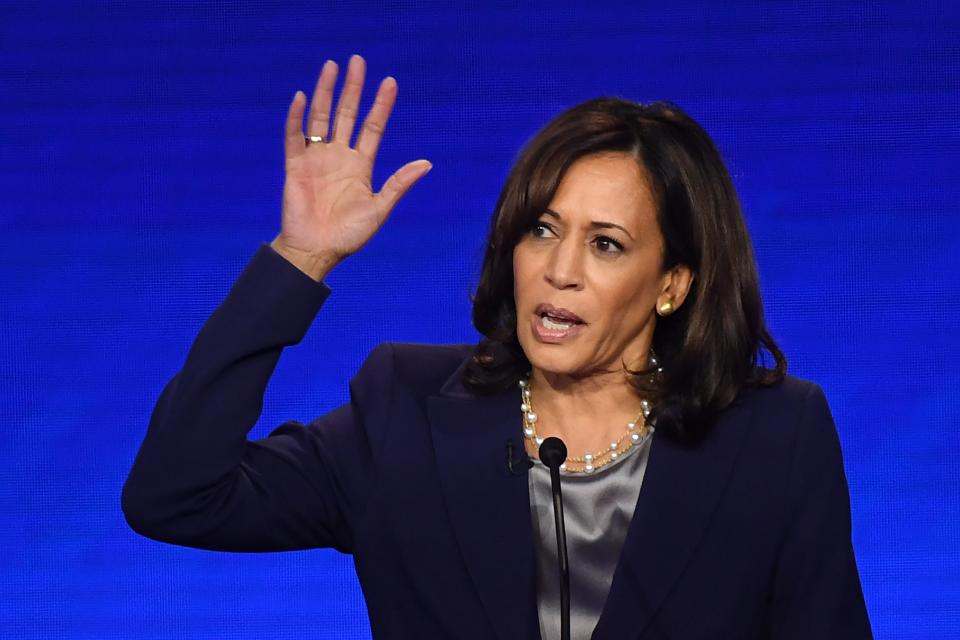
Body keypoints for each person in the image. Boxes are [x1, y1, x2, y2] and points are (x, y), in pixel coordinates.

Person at [122, 54, 873, 639]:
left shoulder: (774, 436)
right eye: (541, 229)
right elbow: (176, 497)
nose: (560, 270)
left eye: (606, 245)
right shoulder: (403, 411)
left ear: (671, 284)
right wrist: (300, 258)